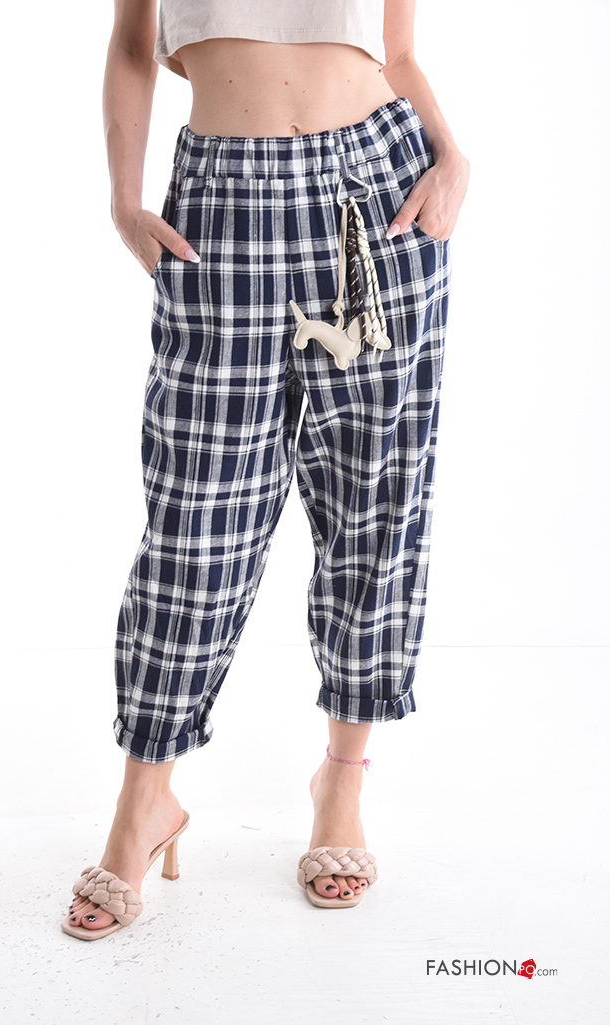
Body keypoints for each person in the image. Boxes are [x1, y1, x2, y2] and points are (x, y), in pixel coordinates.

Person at [61, 0, 470, 938]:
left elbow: (398, 53)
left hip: (377, 196)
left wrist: (453, 155)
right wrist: (124, 198)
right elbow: (132, 45)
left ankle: (342, 782)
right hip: (222, 205)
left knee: (374, 501)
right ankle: (144, 801)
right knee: (195, 527)